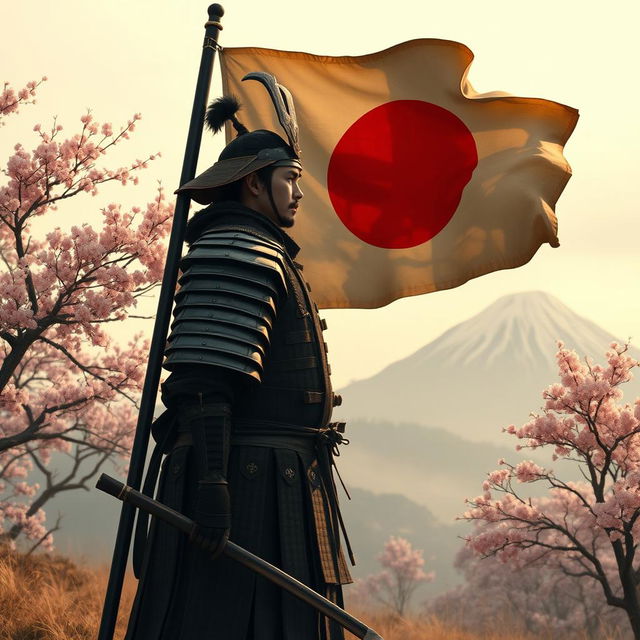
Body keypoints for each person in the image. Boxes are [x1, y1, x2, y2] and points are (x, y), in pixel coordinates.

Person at [125, 73, 353, 640]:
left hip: (279, 484)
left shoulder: (263, 247)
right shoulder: (236, 247)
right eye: (290, 179)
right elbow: (205, 379)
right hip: (250, 484)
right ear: (254, 184)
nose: (299, 192)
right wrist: (213, 484)